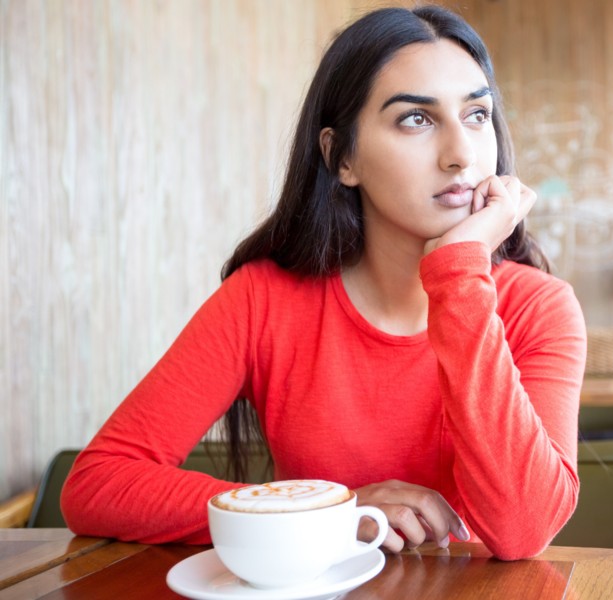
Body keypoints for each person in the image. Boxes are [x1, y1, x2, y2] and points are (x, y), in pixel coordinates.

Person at [61, 4, 586, 561]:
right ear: (341, 158)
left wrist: (459, 269)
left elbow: (524, 530)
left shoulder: (539, 307)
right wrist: (324, 513)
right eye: (416, 119)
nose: (462, 156)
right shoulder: (263, 299)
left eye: (477, 116)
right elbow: (97, 484)